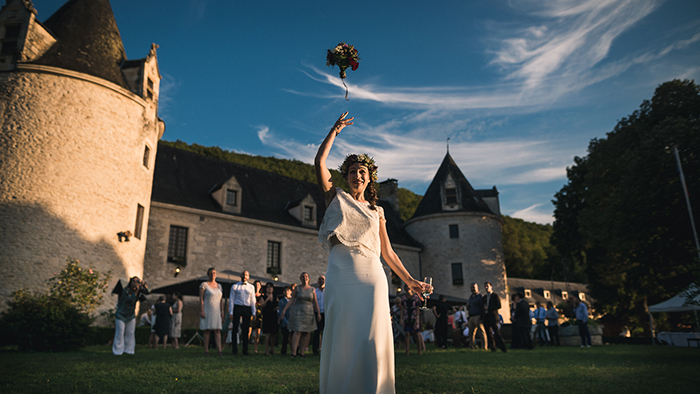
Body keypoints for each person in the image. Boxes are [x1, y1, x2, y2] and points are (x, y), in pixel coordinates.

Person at [315, 112, 431, 394]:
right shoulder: (335, 197)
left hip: (372, 277)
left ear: (370, 180)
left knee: (371, 336)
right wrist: (335, 130)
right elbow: (319, 162)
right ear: (347, 175)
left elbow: (388, 251)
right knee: (343, 333)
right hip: (341, 275)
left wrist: (410, 280)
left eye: (363, 172)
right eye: (353, 171)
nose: (357, 175)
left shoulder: (377, 211)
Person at [282, 272, 321, 357]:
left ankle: (302, 353)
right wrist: (284, 310)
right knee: (297, 331)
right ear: (301, 279)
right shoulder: (297, 288)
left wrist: (318, 313)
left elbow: (315, 301)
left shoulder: (312, 289)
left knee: (306, 333)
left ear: (308, 278)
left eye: (306, 276)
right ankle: (294, 352)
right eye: (303, 276)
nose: (305, 278)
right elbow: (292, 300)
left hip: (308, 312)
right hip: (298, 311)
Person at [112, 276, 150, 355]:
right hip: (121, 315)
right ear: (130, 282)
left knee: (130, 333)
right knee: (120, 332)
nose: (135, 283)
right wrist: (136, 291)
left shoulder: (139, 290)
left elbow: (149, 291)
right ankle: (118, 351)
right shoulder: (126, 290)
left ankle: (129, 350)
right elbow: (130, 299)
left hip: (130, 315)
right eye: (134, 281)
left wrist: (144, 284)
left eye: (137, 281)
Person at [228, 270, 256, 355]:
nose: (244, 276)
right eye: (243, 275)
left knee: (246, 329)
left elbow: (253, 300)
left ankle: (245, 350)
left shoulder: (251, 287)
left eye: (246, 275)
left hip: (247, 308)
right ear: (240, 275)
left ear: (248, 277)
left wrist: (254, 312)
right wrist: (231, 312)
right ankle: (234, 349)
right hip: (237, 307)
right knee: (235, 328)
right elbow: (231, 299)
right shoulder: (235, 286)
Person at [200, 267, 224, 357]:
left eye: (214, 273)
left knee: (217, 330)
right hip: (207, 309)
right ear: (208, 275)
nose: (212, 275)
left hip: (216, 310)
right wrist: (201, 310)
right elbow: (201, 299)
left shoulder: (219, 286)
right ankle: (206, 350)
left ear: (216, 275)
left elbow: (221, 300)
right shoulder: (204, 285)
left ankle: (220, 351)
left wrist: (222, 311)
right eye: (210, 273)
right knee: (207, 330)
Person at [481, 282, 508, 353]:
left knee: (496, 333)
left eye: (487, 286)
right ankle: (493, 348)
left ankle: (503, 348)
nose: (486, 288)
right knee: (488, 333)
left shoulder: (495, 296)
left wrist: (488, 308)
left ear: (491, 287)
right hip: (486, 317)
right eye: (485, 286)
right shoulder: (484, 297)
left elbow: (498, 305)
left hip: (493, 317)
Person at [400, 285, 424, 356]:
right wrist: (401, 318)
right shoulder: (403, 298)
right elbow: (402, 308)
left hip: (414, 316)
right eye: (406, 287)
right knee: (407, 333)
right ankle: (407, 351)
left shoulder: (416, 297)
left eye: (408, 287)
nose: (407, 289)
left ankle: (419, 350)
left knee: (416, 333)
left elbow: (417, 308)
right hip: (406, 316)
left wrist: (417, 317)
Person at [260, 282, 279, 355]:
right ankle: (266, 350)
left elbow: (277, 304)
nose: (269, 288)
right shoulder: (263, 296)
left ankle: (272, 349)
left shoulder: (275, 296)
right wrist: (267, 299)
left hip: (274, 316)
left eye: (271, 287)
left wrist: (278, 307)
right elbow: (262, 306)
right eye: (268, 287)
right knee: (268, 333)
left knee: (274, 333)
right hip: (267, 316)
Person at [466, 282, 486, 350]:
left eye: (474, 288)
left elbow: (482, 307)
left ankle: (484, 347)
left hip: (478, 316)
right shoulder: (471, 297)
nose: (472, 289)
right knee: (471, 333)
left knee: (481, 332)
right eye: (471, 288)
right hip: (471, 316)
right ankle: (471, 346)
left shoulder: (480, 296)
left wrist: (482, 317)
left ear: (477, 288)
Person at [277, 286, 293, 355]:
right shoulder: (281, 301)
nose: (287, 292)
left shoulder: (293, 301)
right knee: (285, 337)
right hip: (285, 321)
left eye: (288, 291)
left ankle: (294, 351)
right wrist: (286, 322)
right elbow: (280, 312)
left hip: (292, 321)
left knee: (293, 337)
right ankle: (283, 351)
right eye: (285, 291)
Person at [312, 275, 326, 355]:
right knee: (317, 331)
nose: (321, 280)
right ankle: (315, 349)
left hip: (326, 313)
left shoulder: (327, 291)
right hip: (317, 313)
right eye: (319, 279)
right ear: (318, 281)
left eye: (322, 279)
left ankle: (324, 349)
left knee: (325, 331)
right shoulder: (315, 291)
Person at [251, 280, 263, 353]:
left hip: (259, 315)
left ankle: (255, 348)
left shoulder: (262, 296)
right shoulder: (251, 294)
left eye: (258, 284)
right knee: (249, 331)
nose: (257, 286)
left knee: (257, 332)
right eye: (256, 285)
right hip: (252, 314)